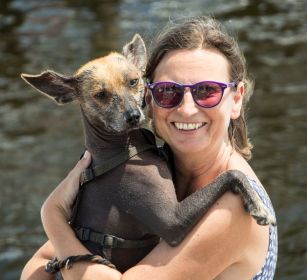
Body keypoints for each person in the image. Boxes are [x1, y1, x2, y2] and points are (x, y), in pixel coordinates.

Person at [21, 16, 277, 280]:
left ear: (236, 99)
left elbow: (55, 253)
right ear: (149, 96)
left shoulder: (238, 205)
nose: (187, 109)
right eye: (168, 91)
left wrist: (52, 215)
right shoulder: (157, 168)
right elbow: (37, 267)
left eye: (207, 91)